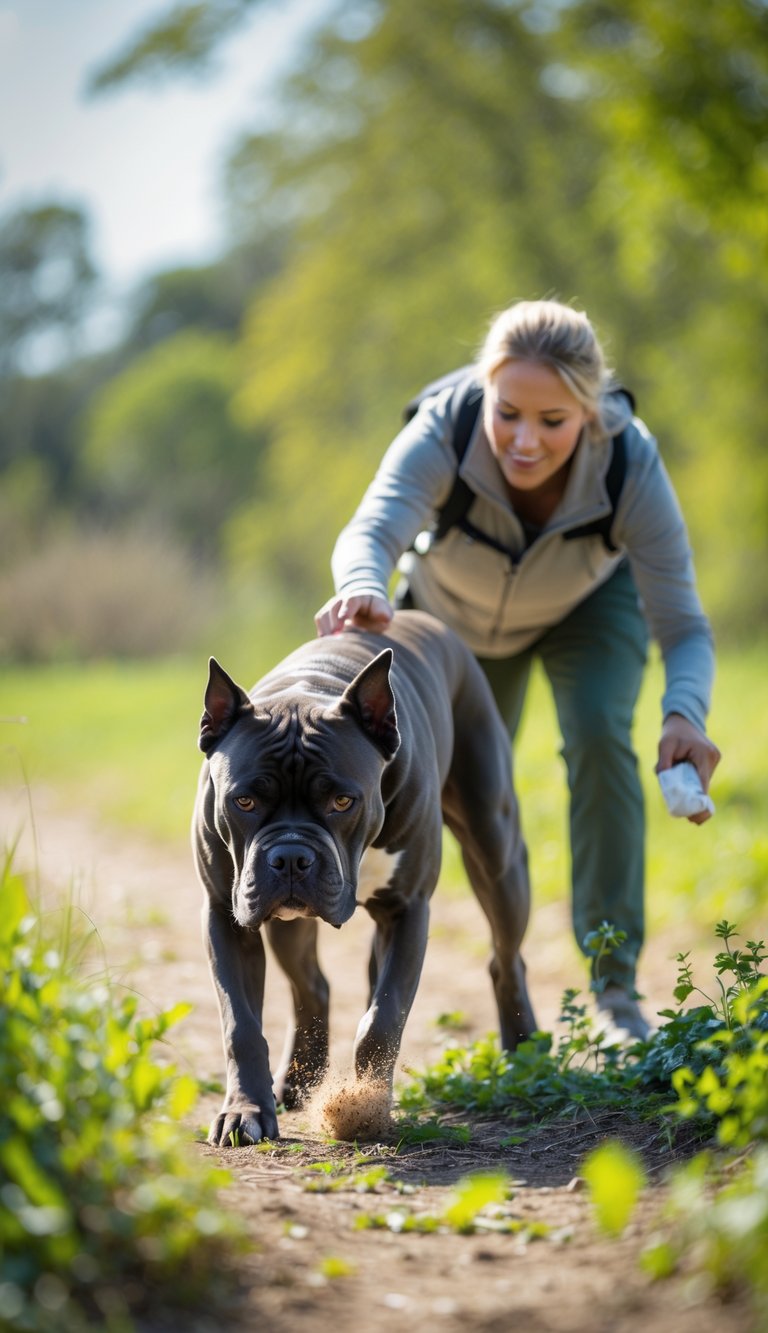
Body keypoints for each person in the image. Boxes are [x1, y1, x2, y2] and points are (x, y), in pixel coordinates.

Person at [315, 299, 720, 1041]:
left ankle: (614, 989)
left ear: (590, 413)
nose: (524, 441)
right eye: (508, 413)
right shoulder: (446, 425)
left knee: (600, 738)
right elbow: (371, 528)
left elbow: (685, 625)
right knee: (447, 791)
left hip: (588, 611)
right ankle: (396, 982)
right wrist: (363, 584)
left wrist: (685, 712)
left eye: (553, 421)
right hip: (452, 626)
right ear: (485, 391)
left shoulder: (631, 460)